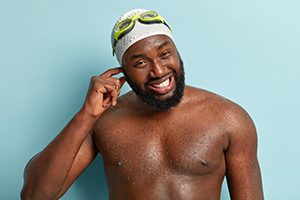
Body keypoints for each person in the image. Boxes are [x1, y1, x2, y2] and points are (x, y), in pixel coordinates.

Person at [21, 8, 264, 200]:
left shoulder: (229, 118)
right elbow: (35, 195)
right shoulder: (103, 121)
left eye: (165, 54)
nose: (158, 71)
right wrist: (86, 115)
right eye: (140, 63)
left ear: (177, 53)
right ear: (122, 71)